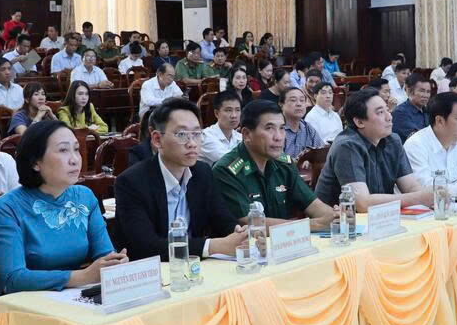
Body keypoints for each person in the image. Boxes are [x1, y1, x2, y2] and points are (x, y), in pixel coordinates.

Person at [0, 121, 127, 293]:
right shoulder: (7, 207)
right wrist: (83, 277)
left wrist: (114, 264)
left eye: (76, 149)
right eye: (63, 150)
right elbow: (13, 279)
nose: (75, 159)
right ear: (35, 162)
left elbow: (105, 254)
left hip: (74, 298)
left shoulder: (84, 196)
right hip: (28, 305)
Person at [115, 99, 245, 261]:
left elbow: (222, 219)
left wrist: (240, 235)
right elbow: (145, 246)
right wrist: (212, 246)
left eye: (197, 134)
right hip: (152, 274)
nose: (192, 143)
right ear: (157, 139)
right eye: (182, 134)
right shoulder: (131, 182)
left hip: (194, 269)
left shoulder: (202, 173)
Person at [213, 100, 335, 228]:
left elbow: (313, 205)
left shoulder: (284, 164)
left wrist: (333, 217)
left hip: (285, 244)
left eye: (282, 128)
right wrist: (312, 225)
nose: (279, 137)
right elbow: (249, 223)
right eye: (269, 128)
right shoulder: (227, 170)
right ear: (247, 134)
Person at [315, 89, 433, 210]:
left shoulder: (393, 141)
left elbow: (411, 187)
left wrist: (430, 198)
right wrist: (419, 198)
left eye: (387, 110)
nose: (389, 117)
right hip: (339, 222)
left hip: (380, 219)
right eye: (380, 112)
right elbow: (362, 203)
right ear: (359, 122)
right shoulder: (347, 146)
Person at [199, 91, 242, 166]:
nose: (234, 115)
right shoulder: (206, 136)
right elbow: (231, 164)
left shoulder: (239, 137)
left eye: (237, 110)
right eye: (228, 110)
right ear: (216, 113)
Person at [280, 87, 324, 158]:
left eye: (302, 100)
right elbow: (275, 156)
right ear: (281, 105)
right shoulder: (276, 129)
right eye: (293, 100)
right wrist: (294, 161)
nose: (299, 104)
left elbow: (321, 149)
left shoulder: (307, 127)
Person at [392, 73, 430, 142]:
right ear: (409, 91)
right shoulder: (400, 112)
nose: (426, 95)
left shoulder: (427, 110)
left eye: (428, 92)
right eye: (422, 91)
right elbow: (419, 138)